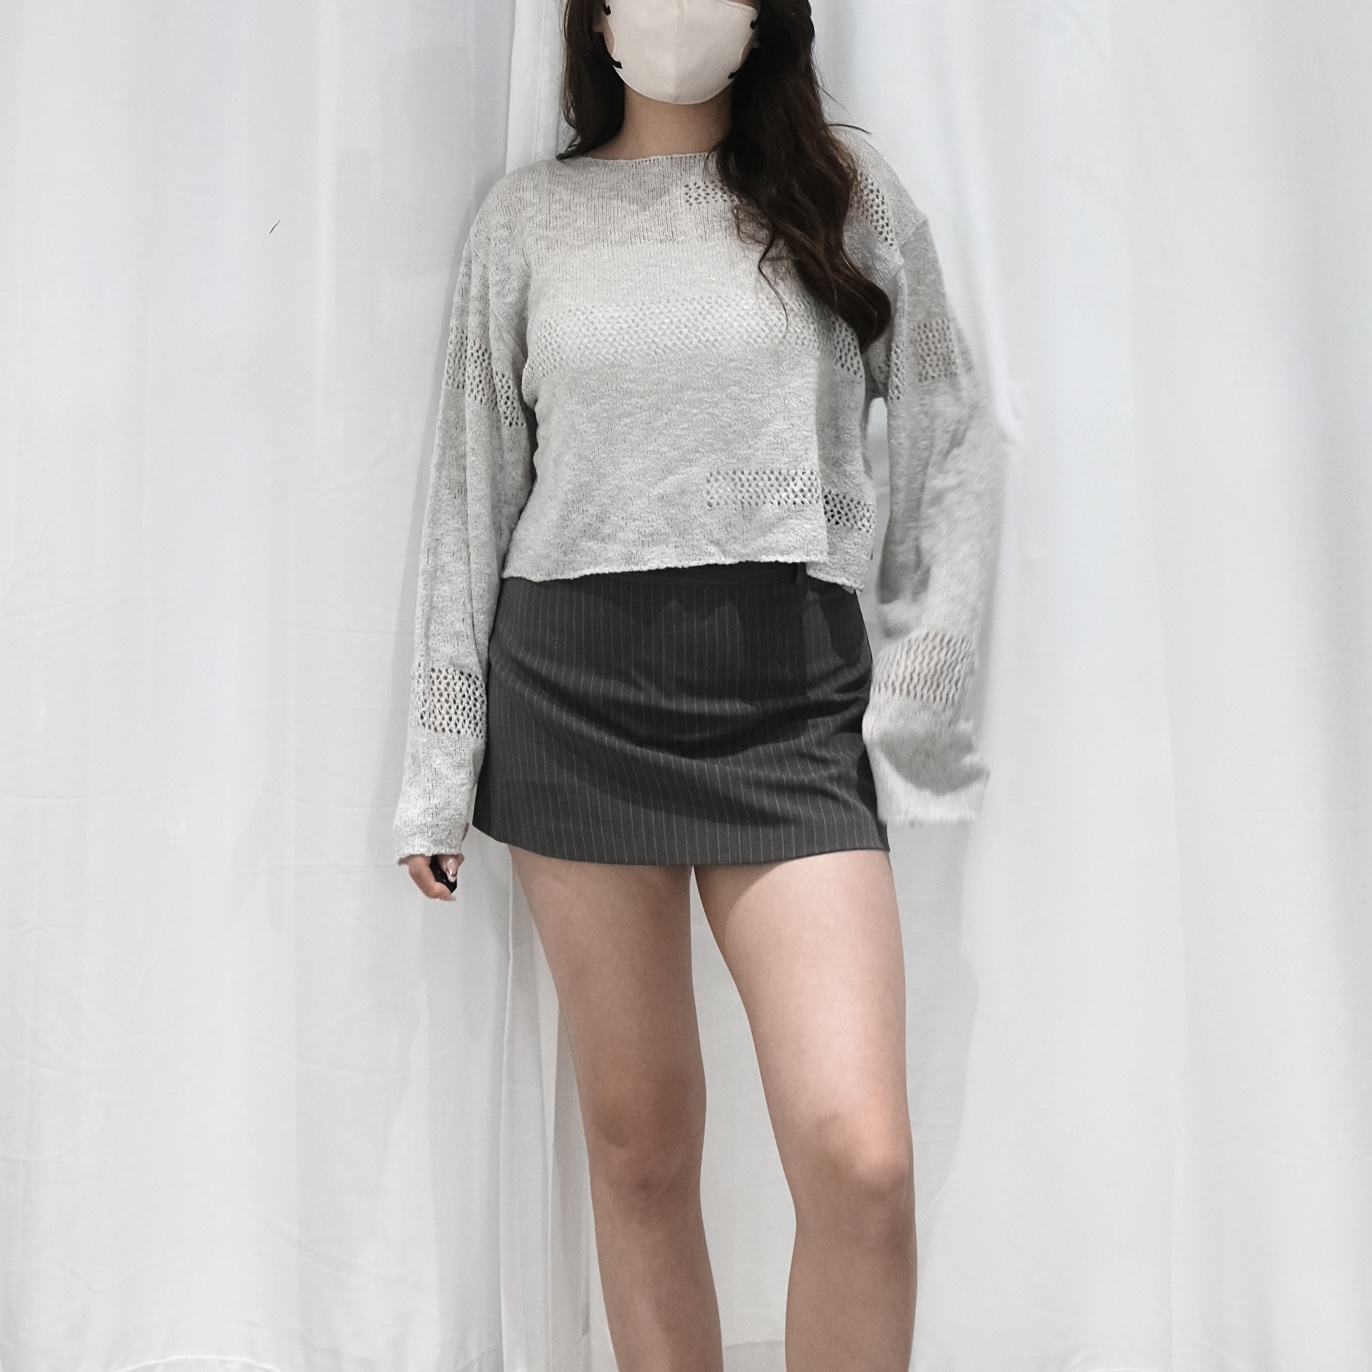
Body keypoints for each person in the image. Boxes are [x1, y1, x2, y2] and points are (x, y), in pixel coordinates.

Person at [394, 0, 1005, 1365]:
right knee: (642, 1148)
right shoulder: (528, 221)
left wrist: (923, 696)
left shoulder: (841, 188)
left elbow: (949, 430)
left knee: (860, 1164)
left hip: (791, 700)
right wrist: (439, 768)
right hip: (573, 698)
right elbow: (472, 490)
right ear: (592, 18)